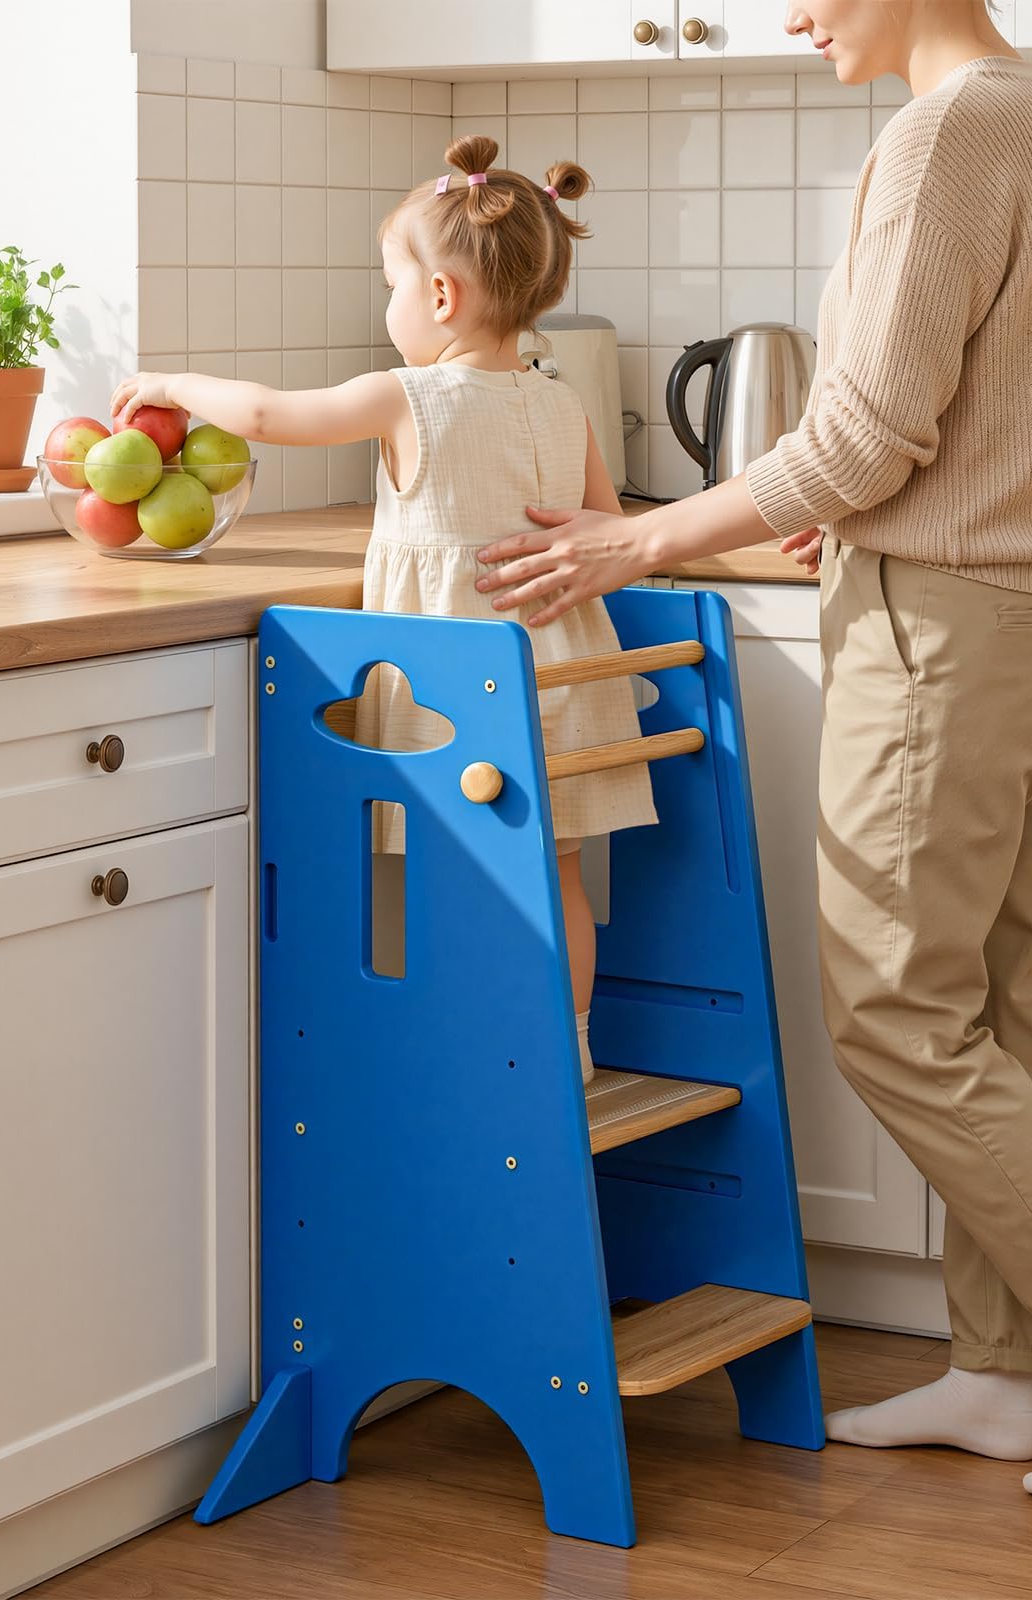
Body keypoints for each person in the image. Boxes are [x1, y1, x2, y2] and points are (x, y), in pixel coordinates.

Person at [472, 0, 1032, 1510]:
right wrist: (865, 496)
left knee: (894, 1012)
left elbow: (865, 428)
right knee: (990, 1007)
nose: (796, 15)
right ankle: (1001, 1375)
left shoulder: (944, 134)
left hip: (943, 628)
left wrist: (642, 538)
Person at [112, 135, 656, 1085]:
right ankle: (561, 1051)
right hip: (558, 676)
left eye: (391, 284)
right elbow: (607, 532)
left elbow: (273, 416)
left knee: (447, 880)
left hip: (453, 693)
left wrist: (168, 386)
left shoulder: (407, 395)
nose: (389, 305)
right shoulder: (561, 403)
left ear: (440, 298)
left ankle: (464, 1056)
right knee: (557, 874)